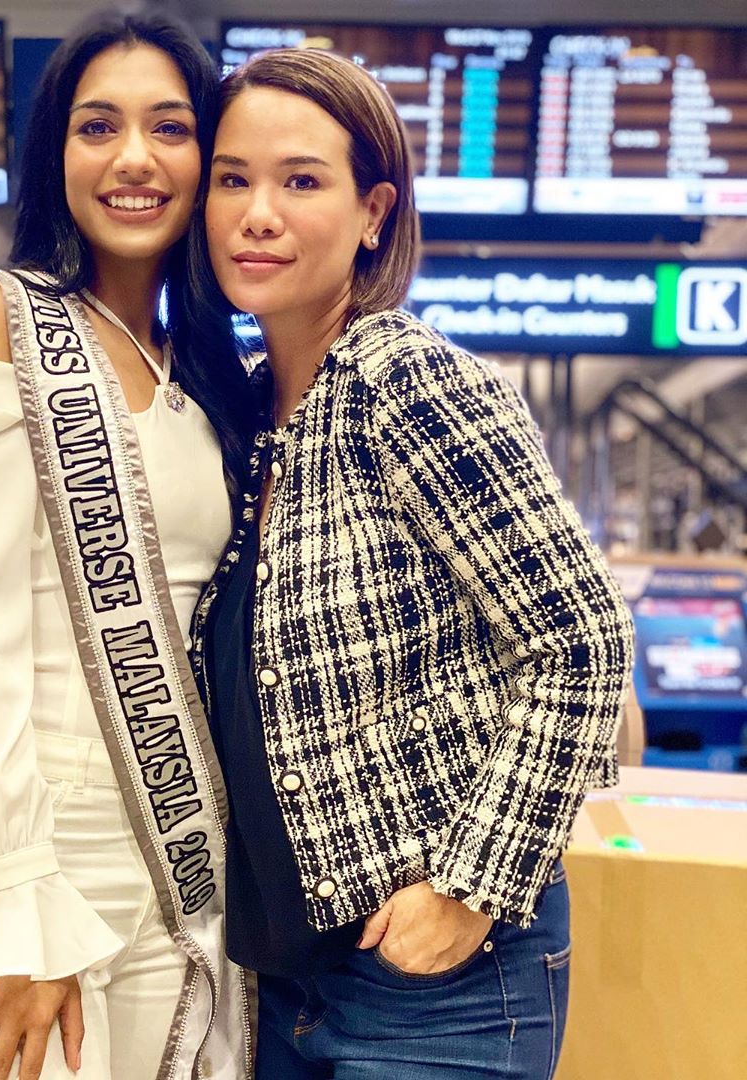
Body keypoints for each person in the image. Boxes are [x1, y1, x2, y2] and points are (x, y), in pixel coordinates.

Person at [187, 48, 635, 1079]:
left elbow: (583, 641)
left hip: (439, 983)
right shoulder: (251, 408)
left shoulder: (405, 378)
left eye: (302, 181)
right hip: (286, 972)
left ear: (373, 211)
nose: (258, 212)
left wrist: (470, 888)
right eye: (233, 179)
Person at [0, 9, 253, 1080]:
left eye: (171, 128)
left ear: (208, 159)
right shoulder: (4, 318)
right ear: (56, 152)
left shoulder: (203, 365)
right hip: (27, 851)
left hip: (180, 866)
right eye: (98, 127)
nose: (135, 159)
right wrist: (18, 905)